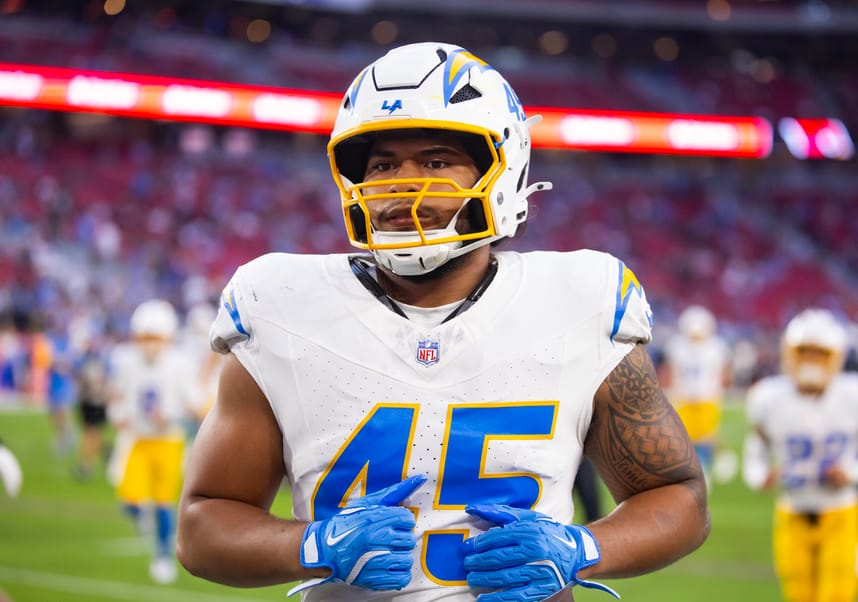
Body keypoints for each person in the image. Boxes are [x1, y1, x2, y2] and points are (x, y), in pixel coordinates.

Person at [177, 41, 710, 601]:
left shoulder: (581, 299)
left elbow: (678, 495)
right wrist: (312, 546)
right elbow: (204, 522)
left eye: (435, 161)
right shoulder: (282, 304)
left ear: (502, 170)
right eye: (382, 164)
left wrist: (585, 549)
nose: (402, 182)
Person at [742, 308, 858, 602]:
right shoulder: (769, 398)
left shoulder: (851, 395)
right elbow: (756, 451)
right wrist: (761, 476)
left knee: (838, 595)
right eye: (804, 352)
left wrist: (850, 472)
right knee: (797, 596)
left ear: (836, 357)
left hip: (840, 512)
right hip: (792, 512)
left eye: (819, 354)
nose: (811, 361)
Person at [107, 299, 201, 584]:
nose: (149, 345)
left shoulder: (180, 364)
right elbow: (117, 397)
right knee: (129, 498)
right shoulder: (127, 362)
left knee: (163, 501)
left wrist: (171, 415)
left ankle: (162, 555)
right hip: (138, 438)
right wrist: (117, 415)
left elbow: (194, 405)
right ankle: (144, 519)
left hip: (168, 440)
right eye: (145, 338)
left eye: (155, 338)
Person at [663, 305, 731, 486]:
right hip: (685, 398)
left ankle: (703, 470)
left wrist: (718, 391)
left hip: (706, 398)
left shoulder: (716, 347)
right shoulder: (677, 346)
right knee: (685, 437)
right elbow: (672, 371)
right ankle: (696, 469)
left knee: (705, 437)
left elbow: (722, 374)